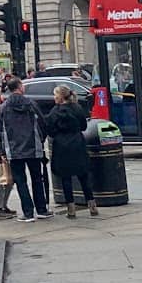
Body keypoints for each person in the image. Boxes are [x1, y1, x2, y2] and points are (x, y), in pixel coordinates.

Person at [0, 77, 50, 222]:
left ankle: (28, 212)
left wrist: (3, 150)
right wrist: (40, 140)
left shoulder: (4, 107)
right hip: (33, 147)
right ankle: (42, 209)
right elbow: (43, 123)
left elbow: (0, 131)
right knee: (37, 179)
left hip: (14, 149)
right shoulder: (31, 104)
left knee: (21, 181)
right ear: (20, 87)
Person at [46, 84, 97, 219]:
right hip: (77, 143)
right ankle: (92, 205)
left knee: (66, 177)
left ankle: (71, 209)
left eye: (55, 95)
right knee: (83, 175)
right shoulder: (77, 108)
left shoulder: (55, 111)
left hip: (61, 146)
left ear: (60, 97)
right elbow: (84, 126)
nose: (54, 97)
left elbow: (49, 129)